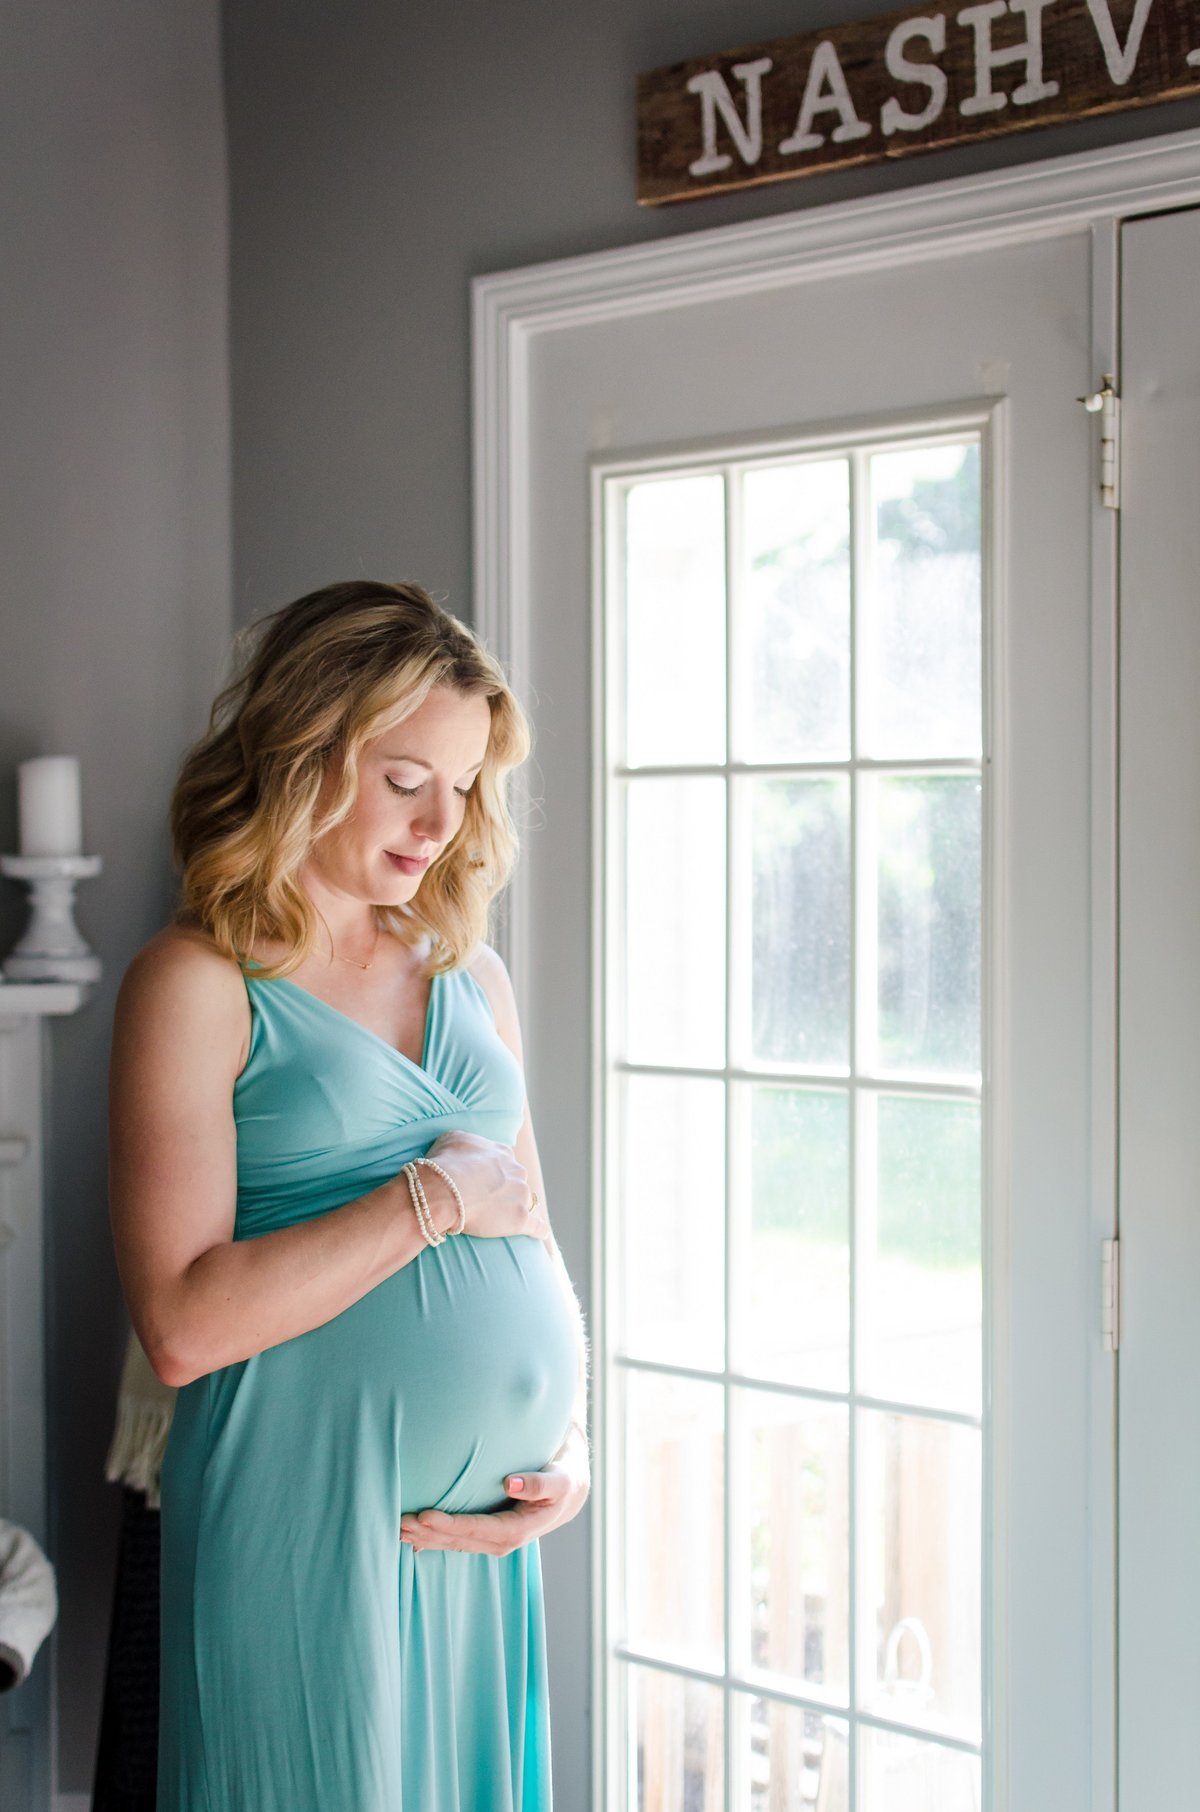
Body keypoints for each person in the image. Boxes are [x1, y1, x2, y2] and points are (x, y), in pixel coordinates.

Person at [107, 579, 590, 1810]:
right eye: (406, 777)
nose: (442, 820)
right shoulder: (199, 982)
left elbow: (527, 1226)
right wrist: (424, 1199)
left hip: (479, 1549)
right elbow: (181, 1324)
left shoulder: (474, 972)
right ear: (308, 751)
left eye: (468, 784)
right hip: (300, 1526)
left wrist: (570, 1443)